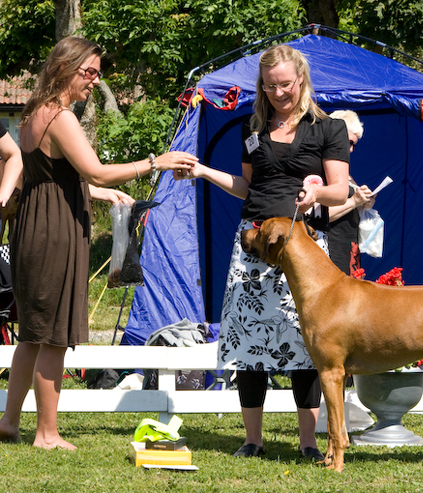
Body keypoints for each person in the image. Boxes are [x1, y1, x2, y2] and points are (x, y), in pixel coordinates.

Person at [0, 37, 197, 450]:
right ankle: (47, 433)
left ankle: (9, 422)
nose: (95, 80)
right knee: (53, 335)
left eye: (97, 73)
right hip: (55, 230)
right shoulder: (62, 116)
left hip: (35, 223)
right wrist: (155, 162)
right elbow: (97, 171)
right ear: (65, 68)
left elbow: (55, 178)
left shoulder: (35, 112)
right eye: (88, 72)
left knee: (32, 336)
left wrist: (101, 195)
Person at [176, 44, 349, 460]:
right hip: (253, 244)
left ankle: (309, 443)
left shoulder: (328, 129)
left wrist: (316, 194)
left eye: (285, 84)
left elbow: (340, 189)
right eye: (270, 86)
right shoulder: (251, 129)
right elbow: (247, 187)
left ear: (301, 79)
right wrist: (202, 171)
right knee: (247, 346)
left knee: (306, 345)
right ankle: (253, 440)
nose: (279, 93)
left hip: (305, 248)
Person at [328, 110, 374, 276]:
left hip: (349, 250)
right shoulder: (318, 171)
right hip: (330, 252)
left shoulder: (343, 170)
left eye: (354, 144)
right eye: (348, 142)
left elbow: (346, 206)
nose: (351, 149)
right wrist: (354, 201)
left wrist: (363, 203)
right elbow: (316, 216)